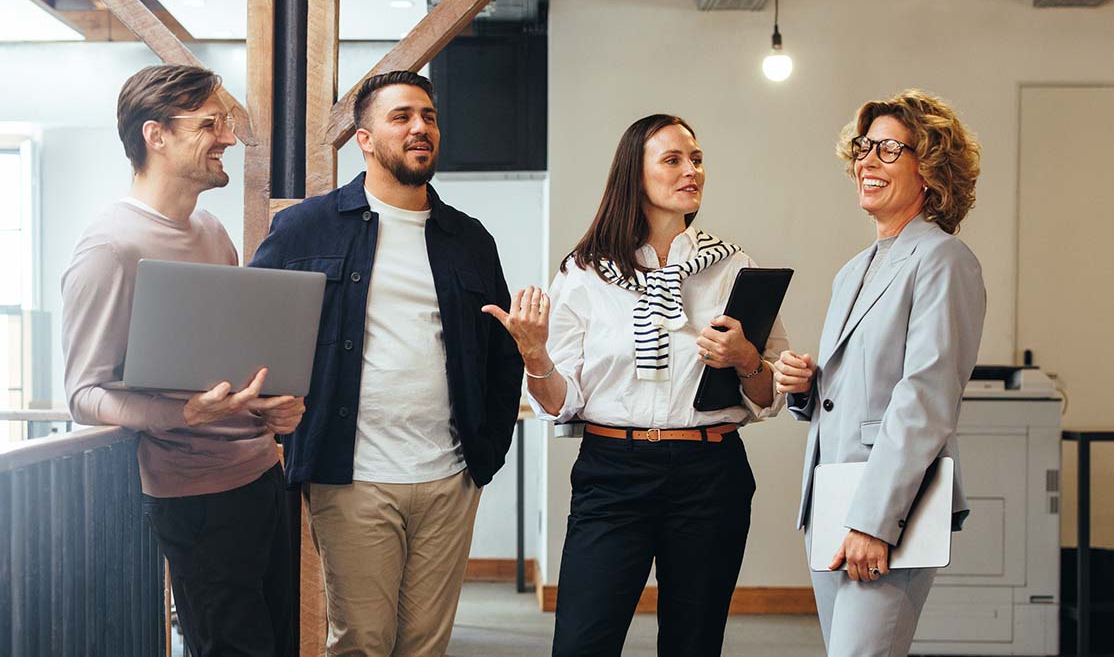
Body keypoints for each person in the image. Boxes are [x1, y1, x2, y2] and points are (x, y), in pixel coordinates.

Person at [484, 114, 788, 656]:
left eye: (695, 158)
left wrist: (745, 359)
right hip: (613, 474)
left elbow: (768, 398)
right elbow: (562, 404)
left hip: (710, 475)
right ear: (635, 176)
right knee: (582, 644)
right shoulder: (585, 273)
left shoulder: (734, 267)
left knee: (693, 645)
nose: (691, 170)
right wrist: (533, 354)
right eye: (672, 160)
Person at [249, 70, 523, 657]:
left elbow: (502, 354)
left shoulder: (469, 239)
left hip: (449, 477)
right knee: (361, 643)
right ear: (365, 139)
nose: (420, 128)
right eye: (401, 117)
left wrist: (485, 456)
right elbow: (257, 335)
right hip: (352, 477)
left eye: (428, 116)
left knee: (425, 646)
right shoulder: (303, 228)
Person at [61, 64, 302, 656]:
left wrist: (271, 410)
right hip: (195, 497)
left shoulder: (213, 231)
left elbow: (230, 358)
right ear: (156, 135)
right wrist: (186, 415)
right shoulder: (109, 248)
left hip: (262, 477)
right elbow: (84, 395)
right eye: (210, 123)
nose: (226, 137)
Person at [773, 89, 985, 656]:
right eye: (864, 148)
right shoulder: (854, 270)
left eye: (889, 150)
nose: (867, 161)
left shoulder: (944, 259)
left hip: (886, 507)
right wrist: (807, 386)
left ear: (931, 169)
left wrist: (874, 522)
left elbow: (926, 399)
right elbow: (860, 391)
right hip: (830, 499)